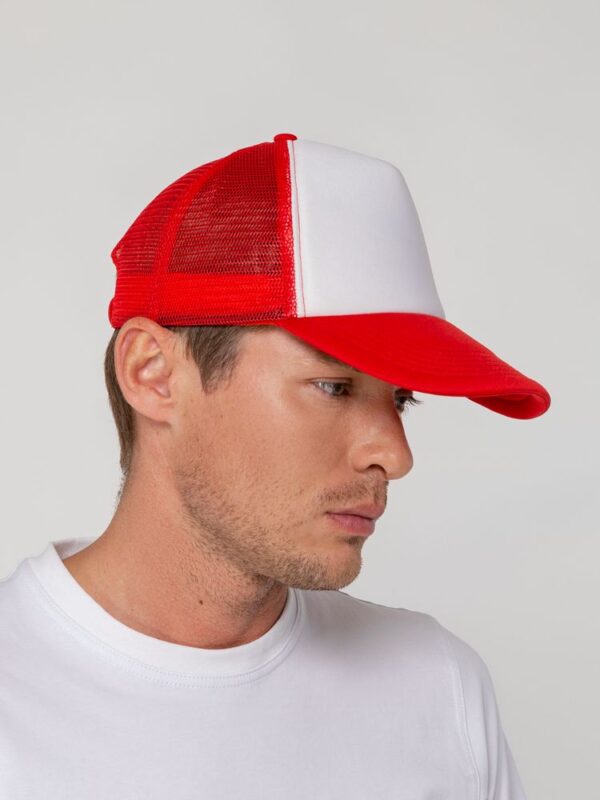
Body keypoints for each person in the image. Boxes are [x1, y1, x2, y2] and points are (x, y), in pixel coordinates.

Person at [0, 132, 550, 799]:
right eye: (334, 387)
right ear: (153, 374)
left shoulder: (437, 688)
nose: (395, 455)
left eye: (400, 398)